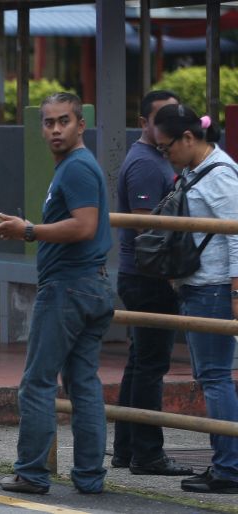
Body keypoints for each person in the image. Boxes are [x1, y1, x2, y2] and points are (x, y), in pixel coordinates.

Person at [0, 92, 114, 494]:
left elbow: (84, 226)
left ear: (81, 124)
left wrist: (27, 231)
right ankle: (90, 478)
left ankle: (31, 473)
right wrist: (27, 226)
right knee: (83, 383)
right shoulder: (74, 166)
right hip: (91, 287)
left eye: (64, 121)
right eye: (49, 122)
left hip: (68, 288)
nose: (56, 129)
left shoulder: (77, 168)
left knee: (38, 383)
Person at [153, 104, 238, 494]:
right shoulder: (195, 170)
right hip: (200, 286)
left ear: (189, 138)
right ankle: (225, 463)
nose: (164, 154)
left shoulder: (220, 176)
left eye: (166, 147)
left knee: (216, 378)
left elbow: (237, 236)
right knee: (212, 377)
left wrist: (236, 292)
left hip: (214, 289)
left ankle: (229, 468)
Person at [112, 91, 193, 476]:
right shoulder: (145, 163)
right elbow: (147, 229)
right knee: (150, 365)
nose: (170, 124)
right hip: (148, 277)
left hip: (144, 276)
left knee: (140, 362)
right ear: (144, 121)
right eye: (163, 117)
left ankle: (127, 449)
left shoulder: (157, 158)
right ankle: (147, 453)